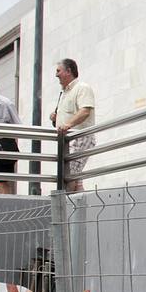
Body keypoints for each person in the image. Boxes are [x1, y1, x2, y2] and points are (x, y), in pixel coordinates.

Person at [50, 58, 95, 192]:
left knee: (68, 175)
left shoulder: (82, 88)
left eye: (58, 71)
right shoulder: (65, 93)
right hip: (68, 140)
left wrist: (67, 125)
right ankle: (78, 210)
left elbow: (85, 111)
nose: (56, 75)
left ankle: (66, 207)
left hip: (79, 138)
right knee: (74, 177)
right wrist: (56, 119)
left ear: (68, 71)